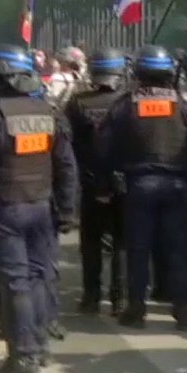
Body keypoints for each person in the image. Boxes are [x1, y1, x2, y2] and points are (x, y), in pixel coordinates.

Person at [0, 45, 77, 373]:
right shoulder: (48, 110)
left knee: (15, 282)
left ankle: (23, 356)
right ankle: (39, 348)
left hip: (7, 208)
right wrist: (68, 208)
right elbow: (67, 166)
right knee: (40, 276)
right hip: (42, 206)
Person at [99, 44, 187, 329]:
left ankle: (136, 309)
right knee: (177, 249)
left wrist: (107, 180)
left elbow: (104, 147)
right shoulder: (185, 102)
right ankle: (183, 310)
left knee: (138, 249)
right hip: (178, 184)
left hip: (138, 185)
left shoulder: (124, 104)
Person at [66, 47, 128, 316]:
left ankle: (91, 297)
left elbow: (67, 145)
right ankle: (120, 298)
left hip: (90, 182)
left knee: (90, 243)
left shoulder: (77, 103)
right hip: (124, 183)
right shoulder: (129, 101)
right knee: (122, 244)